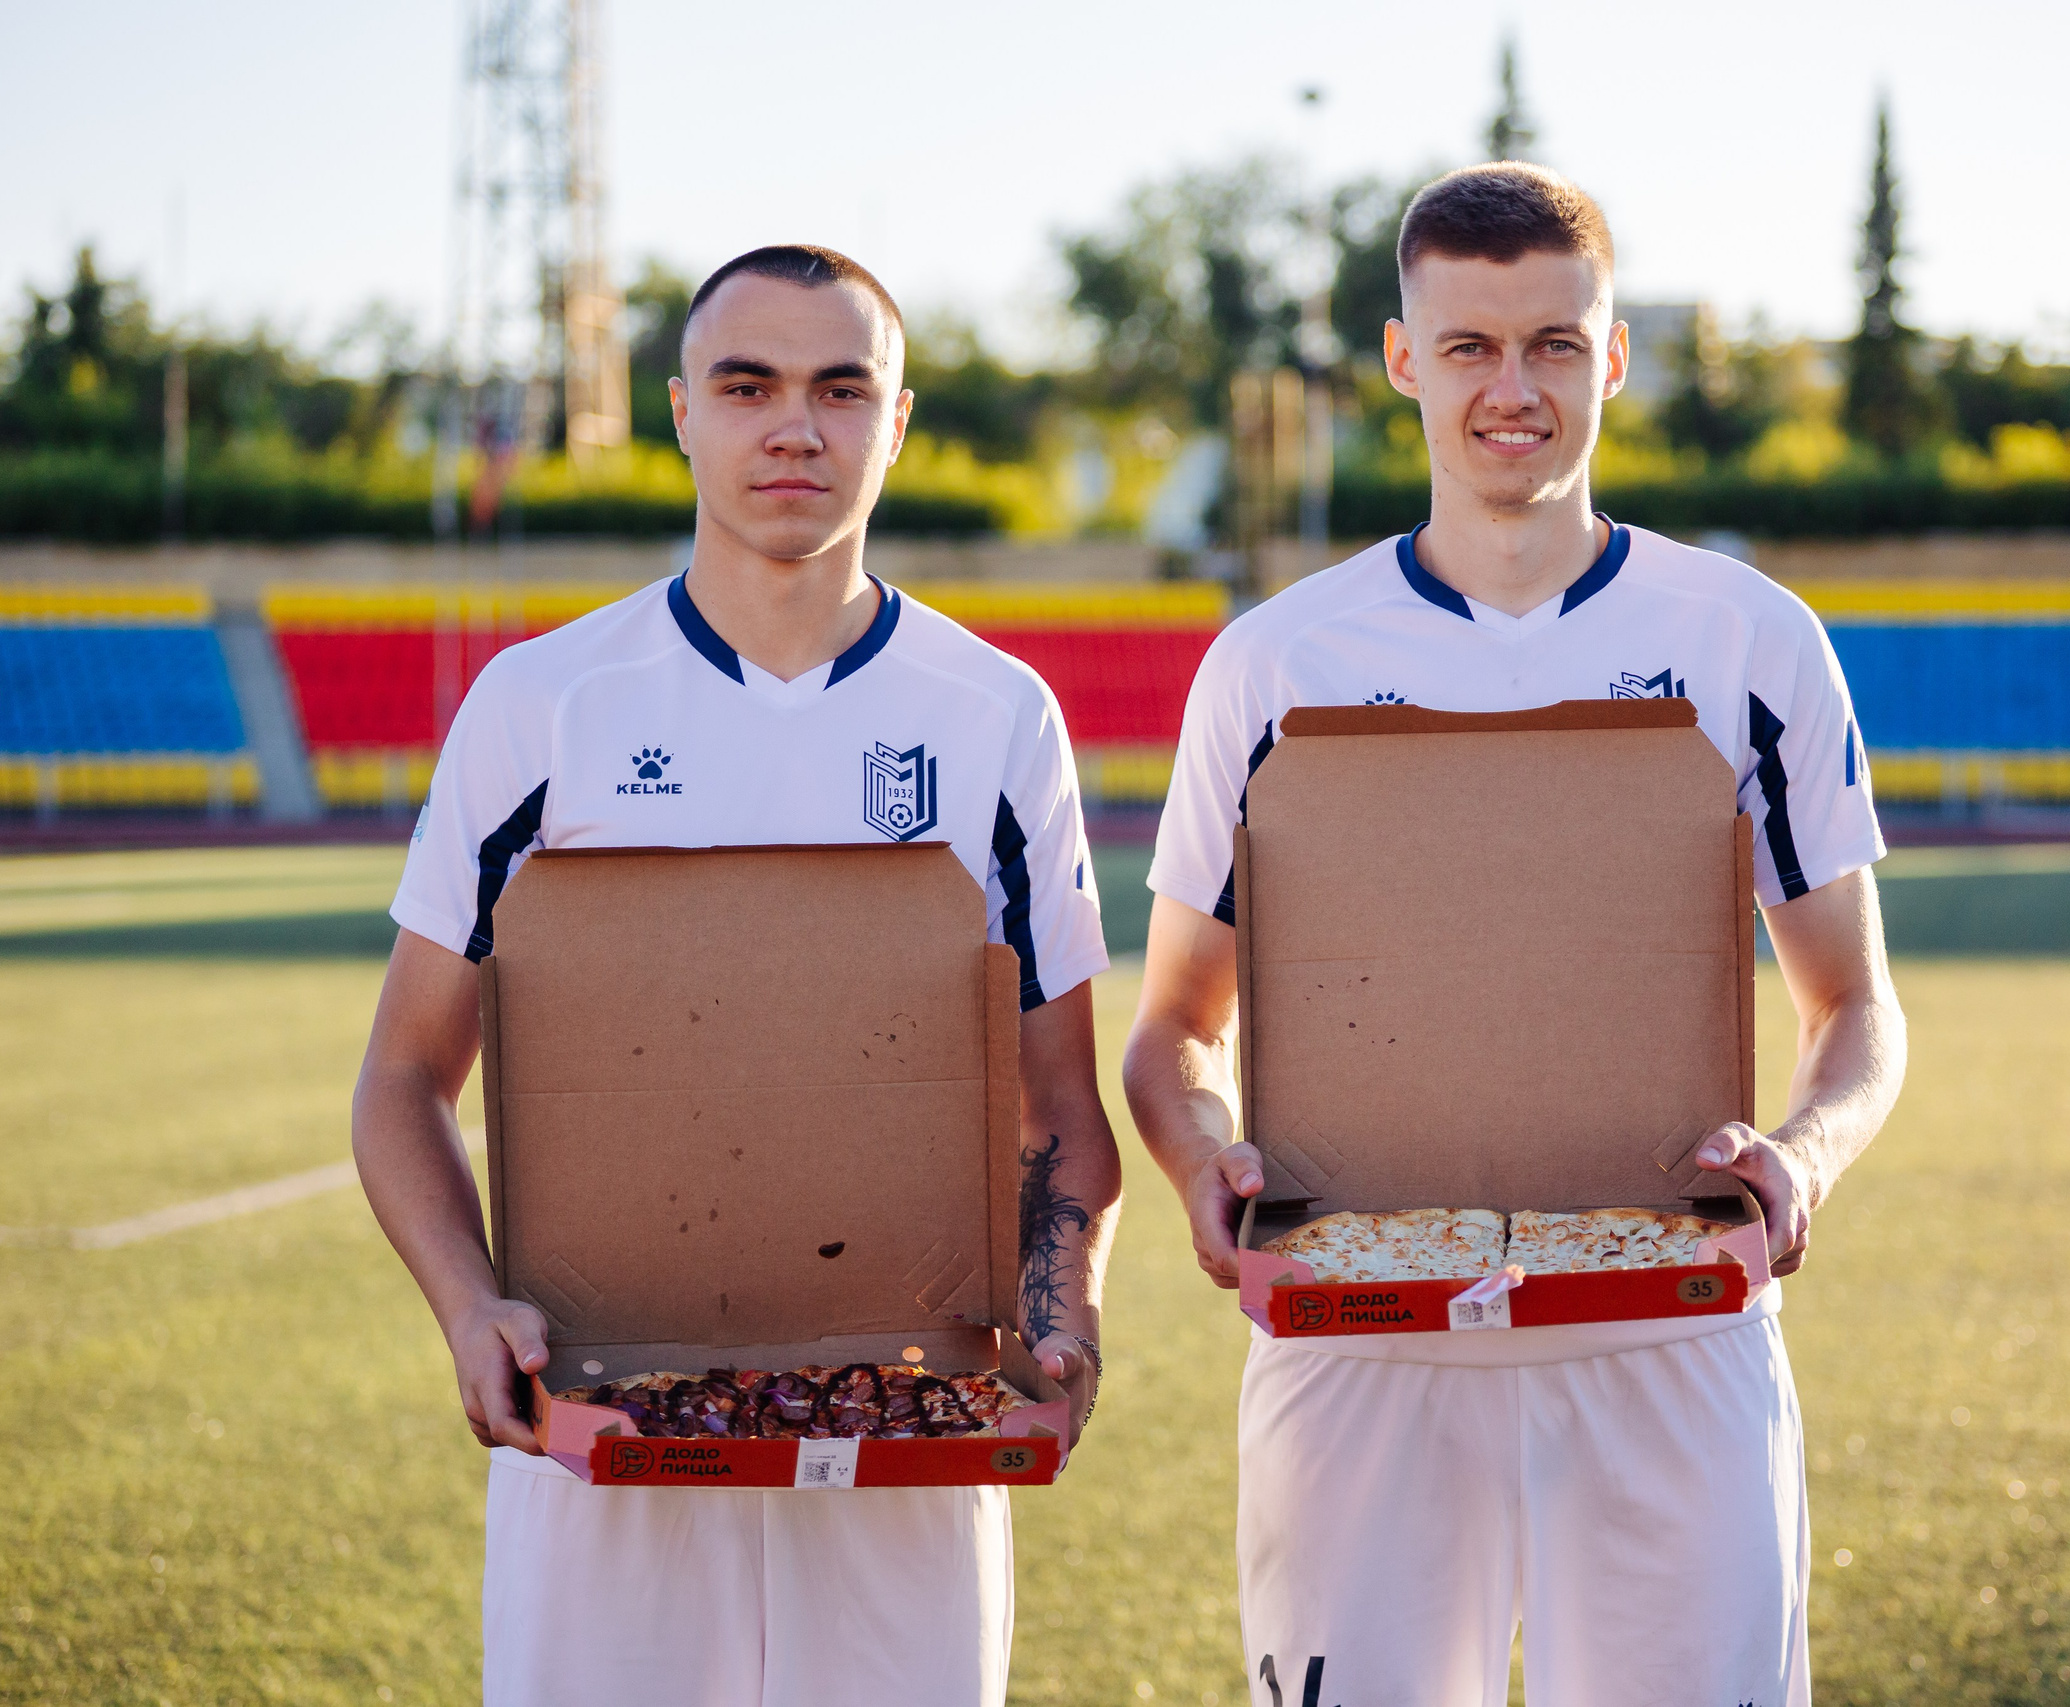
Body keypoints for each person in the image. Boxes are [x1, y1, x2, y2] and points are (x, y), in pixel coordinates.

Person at [1121, 164, 1909, 1707]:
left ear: (1611, 359)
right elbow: (1172, 1032)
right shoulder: (1274, 664)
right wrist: (1200, 1159)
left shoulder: (1749, 639)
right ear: (1405, 362)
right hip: (1362, 1343)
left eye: (1553, 344)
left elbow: (1857, 1010)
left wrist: (1803, 1159)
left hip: (1668, 1326)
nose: (1512, 389)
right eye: (1469, 347)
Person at [351, 245, 1118, 1707]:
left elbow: (1062, 1113)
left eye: (842, 388)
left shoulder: (997, 715)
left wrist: (1065, 1316)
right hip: (611, 1420)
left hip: (909, 1418)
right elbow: (399, 1083)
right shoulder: (543, 707)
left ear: (895, 424)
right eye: (748, 385)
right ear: (682, 414)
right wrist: (469, 1311)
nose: (795, 427)